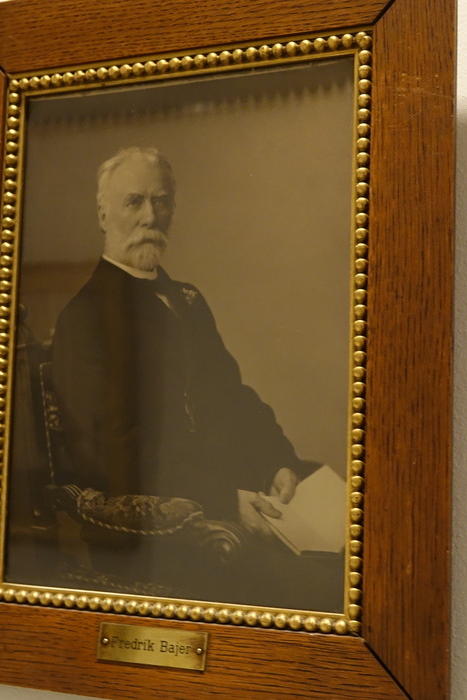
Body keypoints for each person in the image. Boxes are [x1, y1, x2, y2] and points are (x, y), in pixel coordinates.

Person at [49, 147, 338, 607]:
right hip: (160, 536)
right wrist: (223, 499)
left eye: (161, 201)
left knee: (349, 556)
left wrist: (275, 463)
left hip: (235, 500)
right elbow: (111, 453)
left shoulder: (187, 300)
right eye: (134, 201)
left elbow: (234, 397)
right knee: (321, 593)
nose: (151, 216)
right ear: (103, 215)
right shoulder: (83, 318)